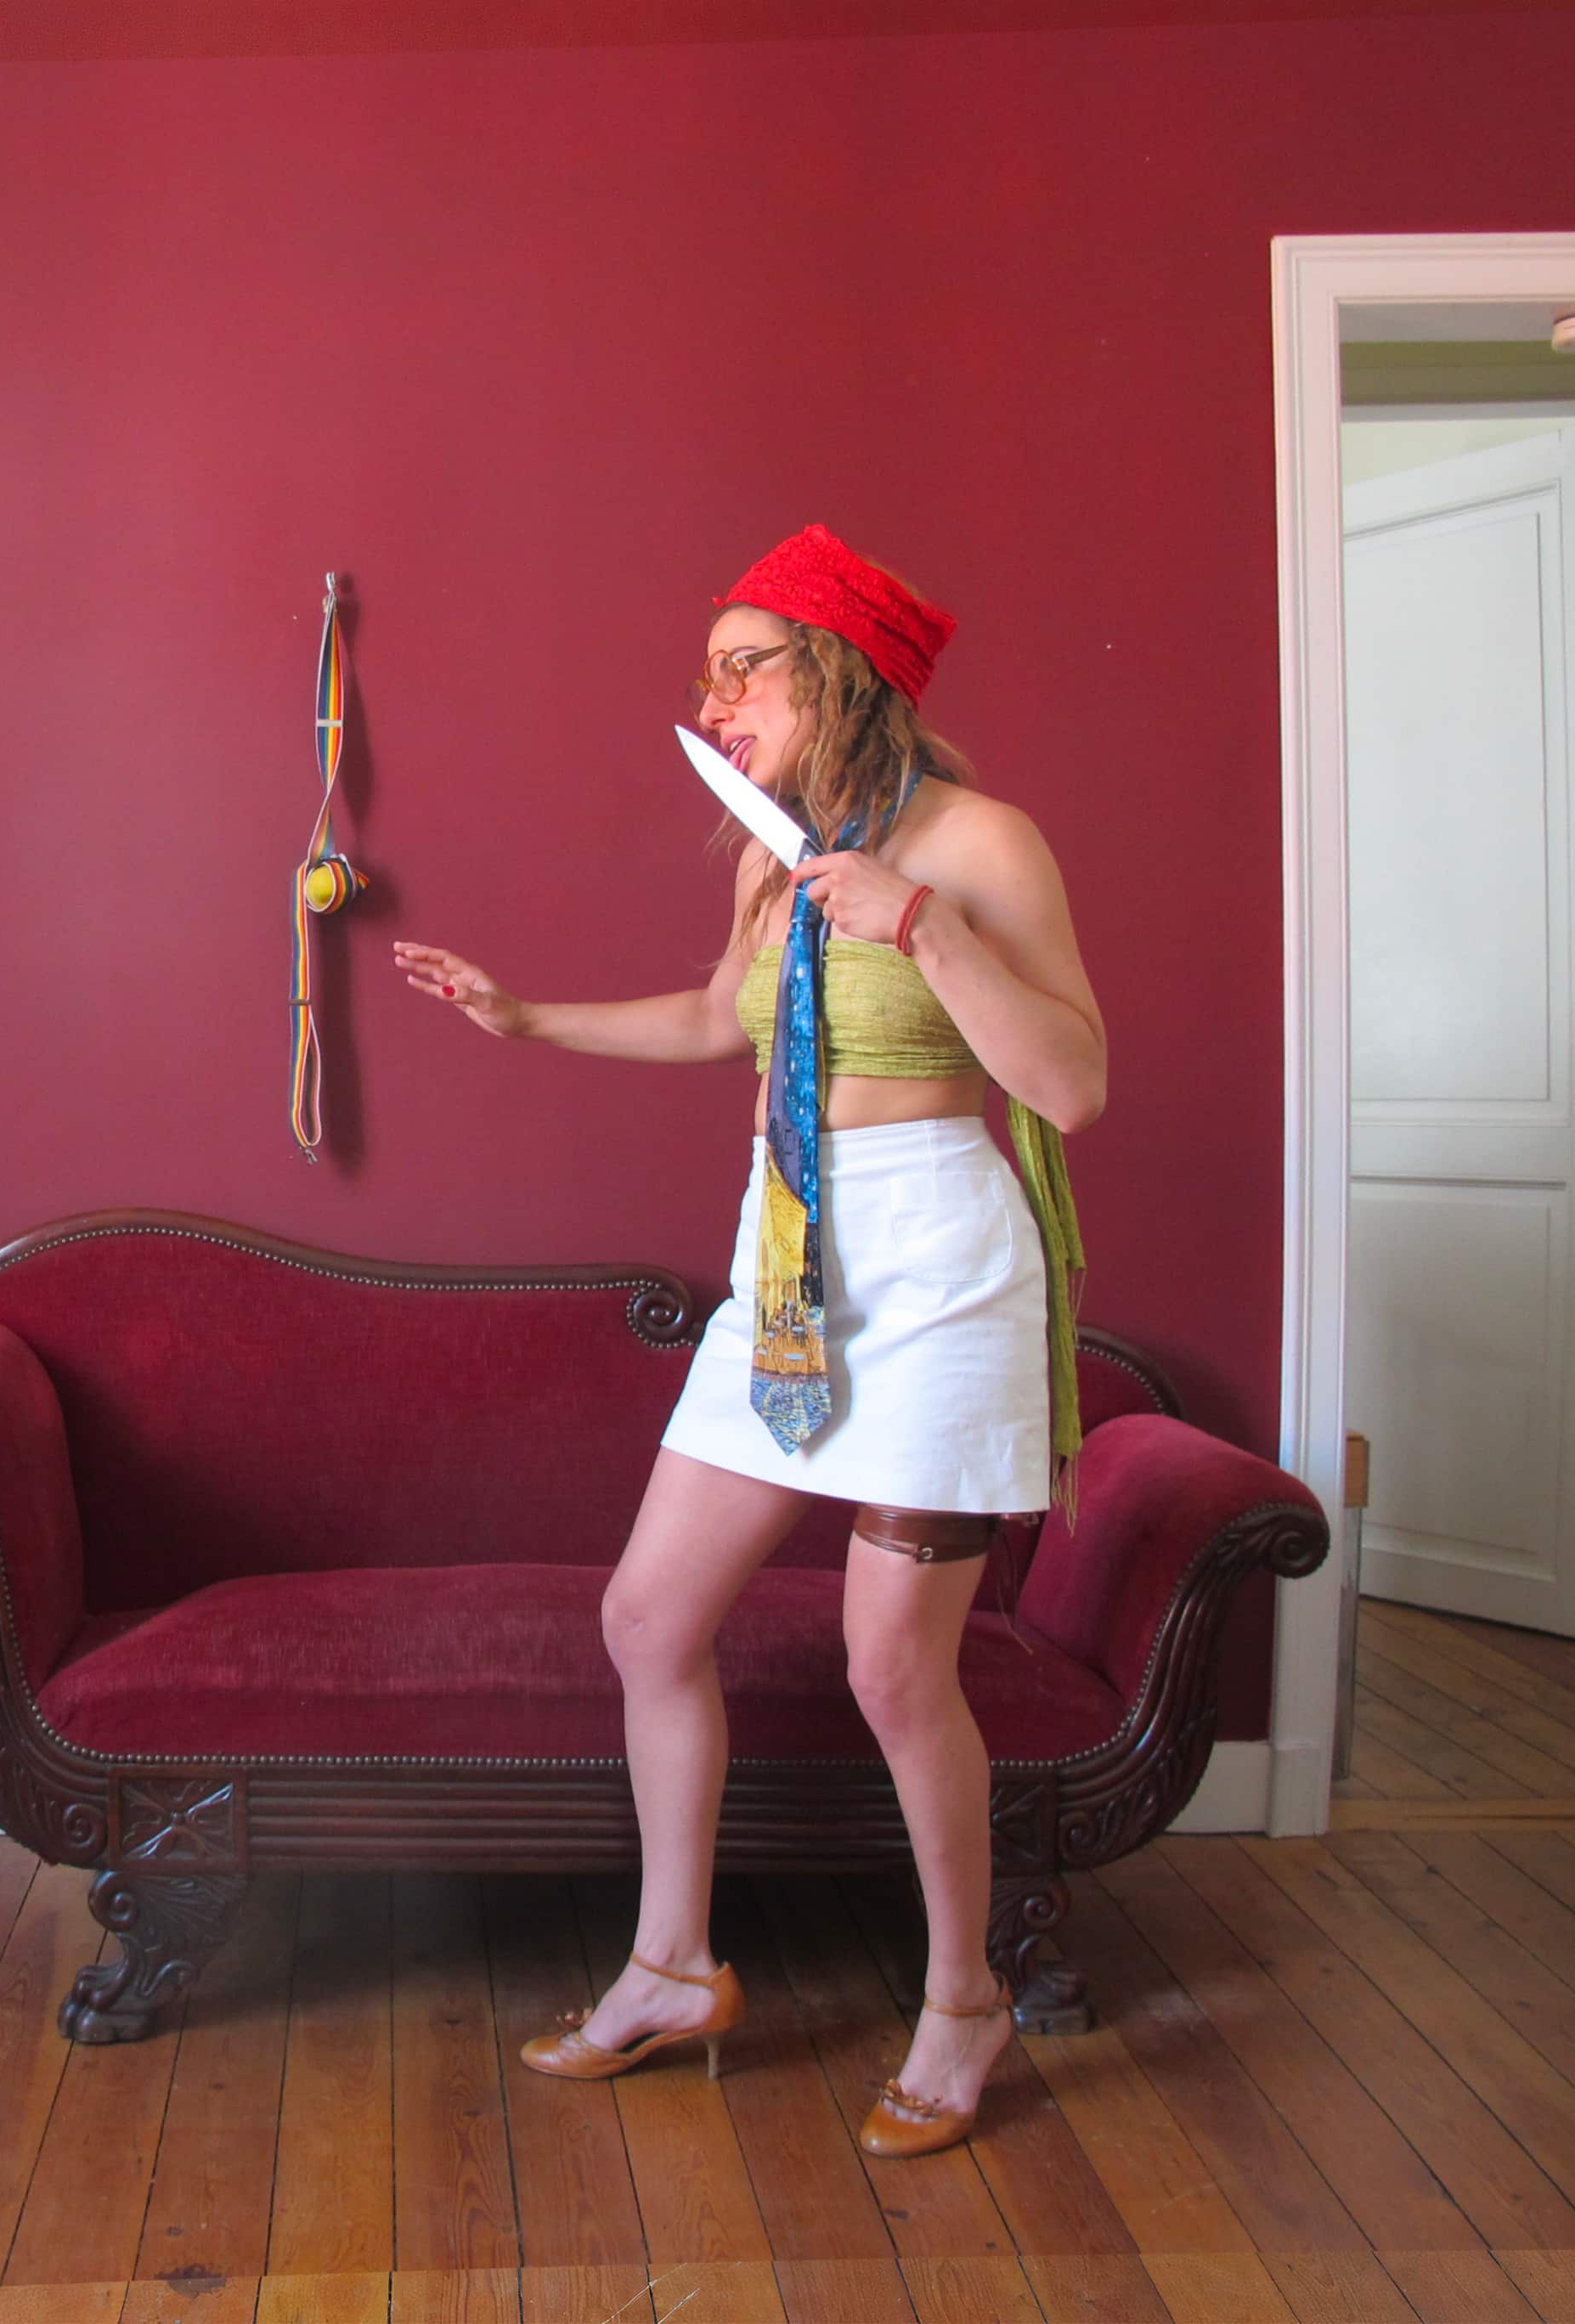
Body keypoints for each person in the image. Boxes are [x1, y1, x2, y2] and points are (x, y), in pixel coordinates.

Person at [392, 523, 1106, 2158]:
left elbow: (1071, 1086)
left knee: (891, 1666)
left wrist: (923, 926)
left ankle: (963, 2001)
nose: (712, 703)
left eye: (742, 669)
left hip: (938, 1269)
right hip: (785, 1255)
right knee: (648, 1616)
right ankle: (672, 1966)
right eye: (707, 675)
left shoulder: (983, 845)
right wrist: (525, 1017)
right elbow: (721, 1019)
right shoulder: (771, 859)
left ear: (838, 670)